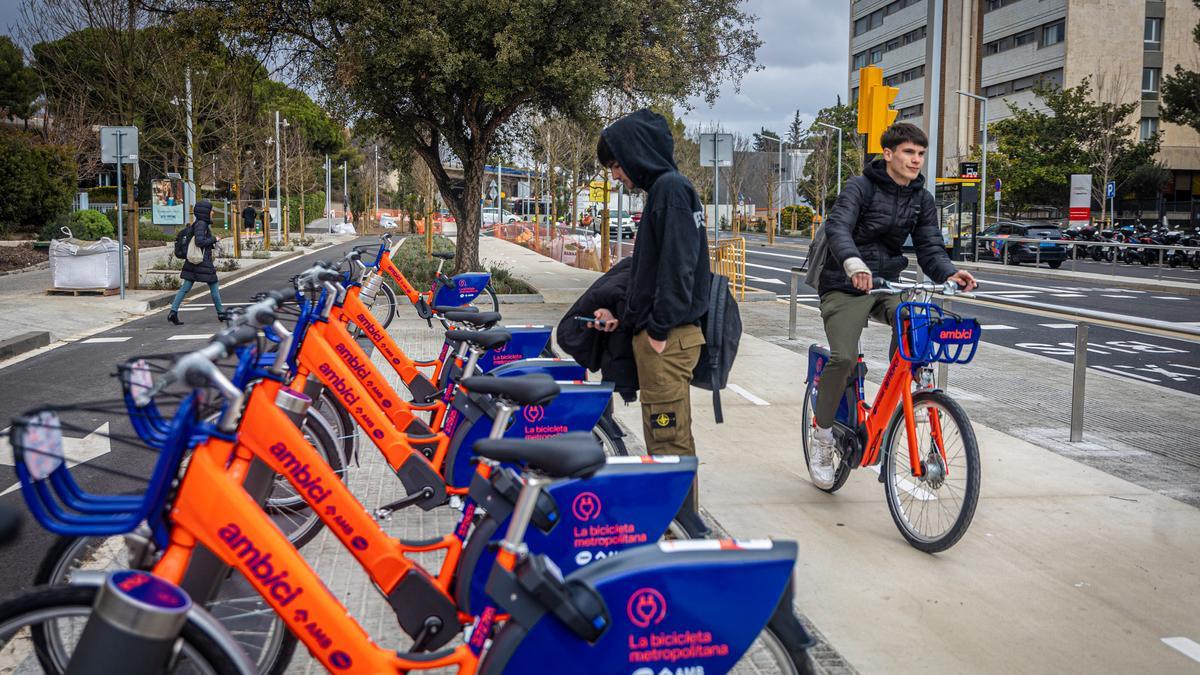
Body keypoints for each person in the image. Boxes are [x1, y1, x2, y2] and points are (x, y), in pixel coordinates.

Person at [808, 122, 977, 486]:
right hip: (844, 283)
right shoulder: (860, 187)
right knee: (843, 358)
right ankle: (822, 436)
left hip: (886, 285)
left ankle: (913, 393)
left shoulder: (921, 199)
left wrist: (950, 273)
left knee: (918, 321)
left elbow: (931, 248)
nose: (915, 160)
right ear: (888, 154)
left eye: (920, 154)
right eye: (908, 153)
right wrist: (853, 265)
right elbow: (838, 228)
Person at [591, 108, 712, 536]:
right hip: (665, 336)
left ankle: (685, 532)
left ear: (636, 153)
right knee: (666, 433)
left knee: (668, 436)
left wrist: (658, 331)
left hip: (669, 341)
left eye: (617, 164)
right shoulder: (667, 191)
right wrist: (622, 315)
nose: (617, 176)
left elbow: (679, 271)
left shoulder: (671, 191)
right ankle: (678, 525)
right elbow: (650, 273)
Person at [167, 200, 226, 325]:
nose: (213, 212)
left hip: (193, 260)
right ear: (205, 212)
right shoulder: (202, 225)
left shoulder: (197, 223)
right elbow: (200, 242)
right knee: (214, 285)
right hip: (202, 261)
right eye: (211, 210)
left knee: (186, 287)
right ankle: (221, 313)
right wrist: (214, 239)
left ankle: (173, 312)